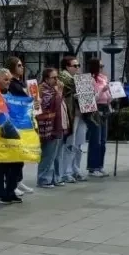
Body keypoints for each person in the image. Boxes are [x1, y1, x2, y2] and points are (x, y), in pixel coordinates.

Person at [0, 69, 24, 204]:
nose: (8, 82)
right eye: (5, 80)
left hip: (12, 131)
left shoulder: (9, 94)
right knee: (2, 164)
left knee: (17, 162)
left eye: (9, 80)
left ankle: (11, 190)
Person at [5, 57, 33, 196]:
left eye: (22, 65)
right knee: (15, 154)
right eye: (19, 65)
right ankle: (11, 182)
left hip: (23, 119)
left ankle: (18, 180)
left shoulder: (21, 82)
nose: (22, 68)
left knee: (21, 153)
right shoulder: (12, 84)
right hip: (15, 120)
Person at [57, 55, 86, 183]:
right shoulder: (63, 79)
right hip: (71, 114)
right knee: (70, 143)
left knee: (78, 143)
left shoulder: (77, 79)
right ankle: (66, 172)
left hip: (80, 113)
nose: (78, 68)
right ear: (67, 67)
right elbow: (64, 95)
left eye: (78, 65)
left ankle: (75, 169)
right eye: (75, 65)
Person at [36, 67, 66, 187]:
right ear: (46, 78)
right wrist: (59, 93)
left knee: (54, 154)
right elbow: (51, 105)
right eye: (54, 78)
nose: (56, 80)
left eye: (57, 77)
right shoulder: (43, 90)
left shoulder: (53, 89)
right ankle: (44, 179)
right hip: (47, 125)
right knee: (48, 154)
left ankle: (53, 177)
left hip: (56, 124)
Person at [85, 58, 110, 178]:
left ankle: (100, 165)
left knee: (103, 140)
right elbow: (91, 99)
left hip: (105, 107)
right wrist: (102, 91)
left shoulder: (103, 78)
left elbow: (108, 96)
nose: (102, 68)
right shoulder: (90, 79)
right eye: (100, 66)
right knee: (96, 139)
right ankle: (93, 167)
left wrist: (113, 94)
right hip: (95, 108)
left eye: (103, 66)